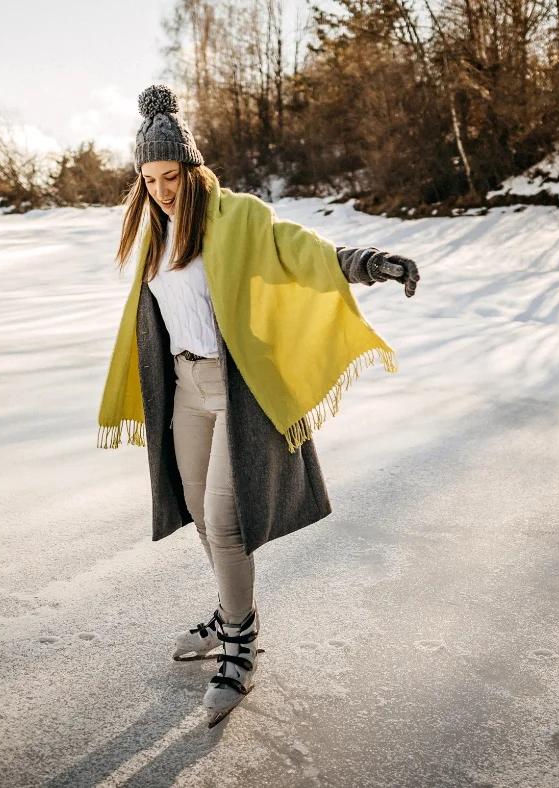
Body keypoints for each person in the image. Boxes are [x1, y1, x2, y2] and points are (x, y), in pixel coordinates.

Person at [97, 84, 419, 727]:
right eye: (150, 178)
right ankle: (227, 610)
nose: (162, 189)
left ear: (193, 169)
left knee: (225, 518)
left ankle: (240, 644)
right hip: (185, 393)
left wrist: (367, 262)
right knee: (195, 508)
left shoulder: (237, 218)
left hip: (235, 389)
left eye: (172, 175)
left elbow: (299, 250)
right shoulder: (154, 236)